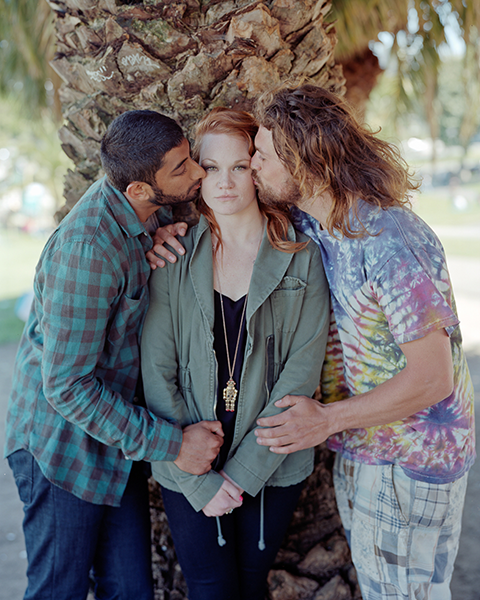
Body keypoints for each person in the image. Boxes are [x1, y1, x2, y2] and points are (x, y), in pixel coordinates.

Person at [248, 83, 475, 600]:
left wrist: (327, 420)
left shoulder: (390, 238)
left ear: (301, 160)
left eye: (261, 155)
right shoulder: (321, 222)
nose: (253, 165)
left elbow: (432, 377)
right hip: (367, 447)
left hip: (411, 461)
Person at [4, 110, 225, 600]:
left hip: (115, 445)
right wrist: (173, 444)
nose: (198, 173)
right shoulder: (88, 251)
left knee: (129, 591)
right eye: (181, 168)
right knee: (57, 591)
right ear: (139, 191)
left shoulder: (147, 214)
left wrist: (158, 234)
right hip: (61, 450)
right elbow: (66, 387)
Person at [140, 107, 330, 600]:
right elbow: (157, 371)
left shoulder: (300, 258)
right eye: (211, 167)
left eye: (240, 166)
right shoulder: (174, 256)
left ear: (259, 169)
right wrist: (199, 480)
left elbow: (301, 373)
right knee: (209, 588)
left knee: (250, 585)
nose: (224, 182)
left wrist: (243, 475)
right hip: (187, 461)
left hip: (273, 461)